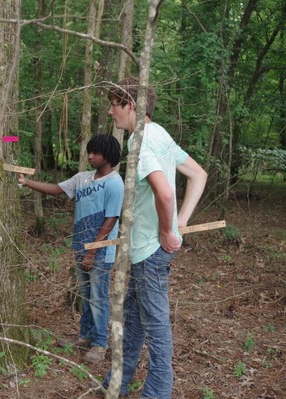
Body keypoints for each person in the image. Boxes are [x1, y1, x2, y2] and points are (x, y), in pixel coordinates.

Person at [102, 78, 207, 399]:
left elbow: (163, 191)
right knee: (134, 319)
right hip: (145, 251)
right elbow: (198, 174)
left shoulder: (141, 142)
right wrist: (181, 221)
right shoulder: (159, 133)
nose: (110, 111)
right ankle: (117, 382)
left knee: (157, 326)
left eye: (114, 105)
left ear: (131, 105)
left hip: (150, 251)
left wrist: (167, 229)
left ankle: (157, 393)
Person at [18, 134, 124, 363]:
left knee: (98, 296)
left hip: (100, 252)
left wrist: (92, 251)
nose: (91, 156)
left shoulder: (115, 183)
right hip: (80, 246)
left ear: (107, 156)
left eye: (95, 153)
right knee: (85, 295)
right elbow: (56, 189)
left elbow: (111, 220)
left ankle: (99, 344)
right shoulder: (83, 178)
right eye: (90, 152)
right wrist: (27, 183)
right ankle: (85, 335)